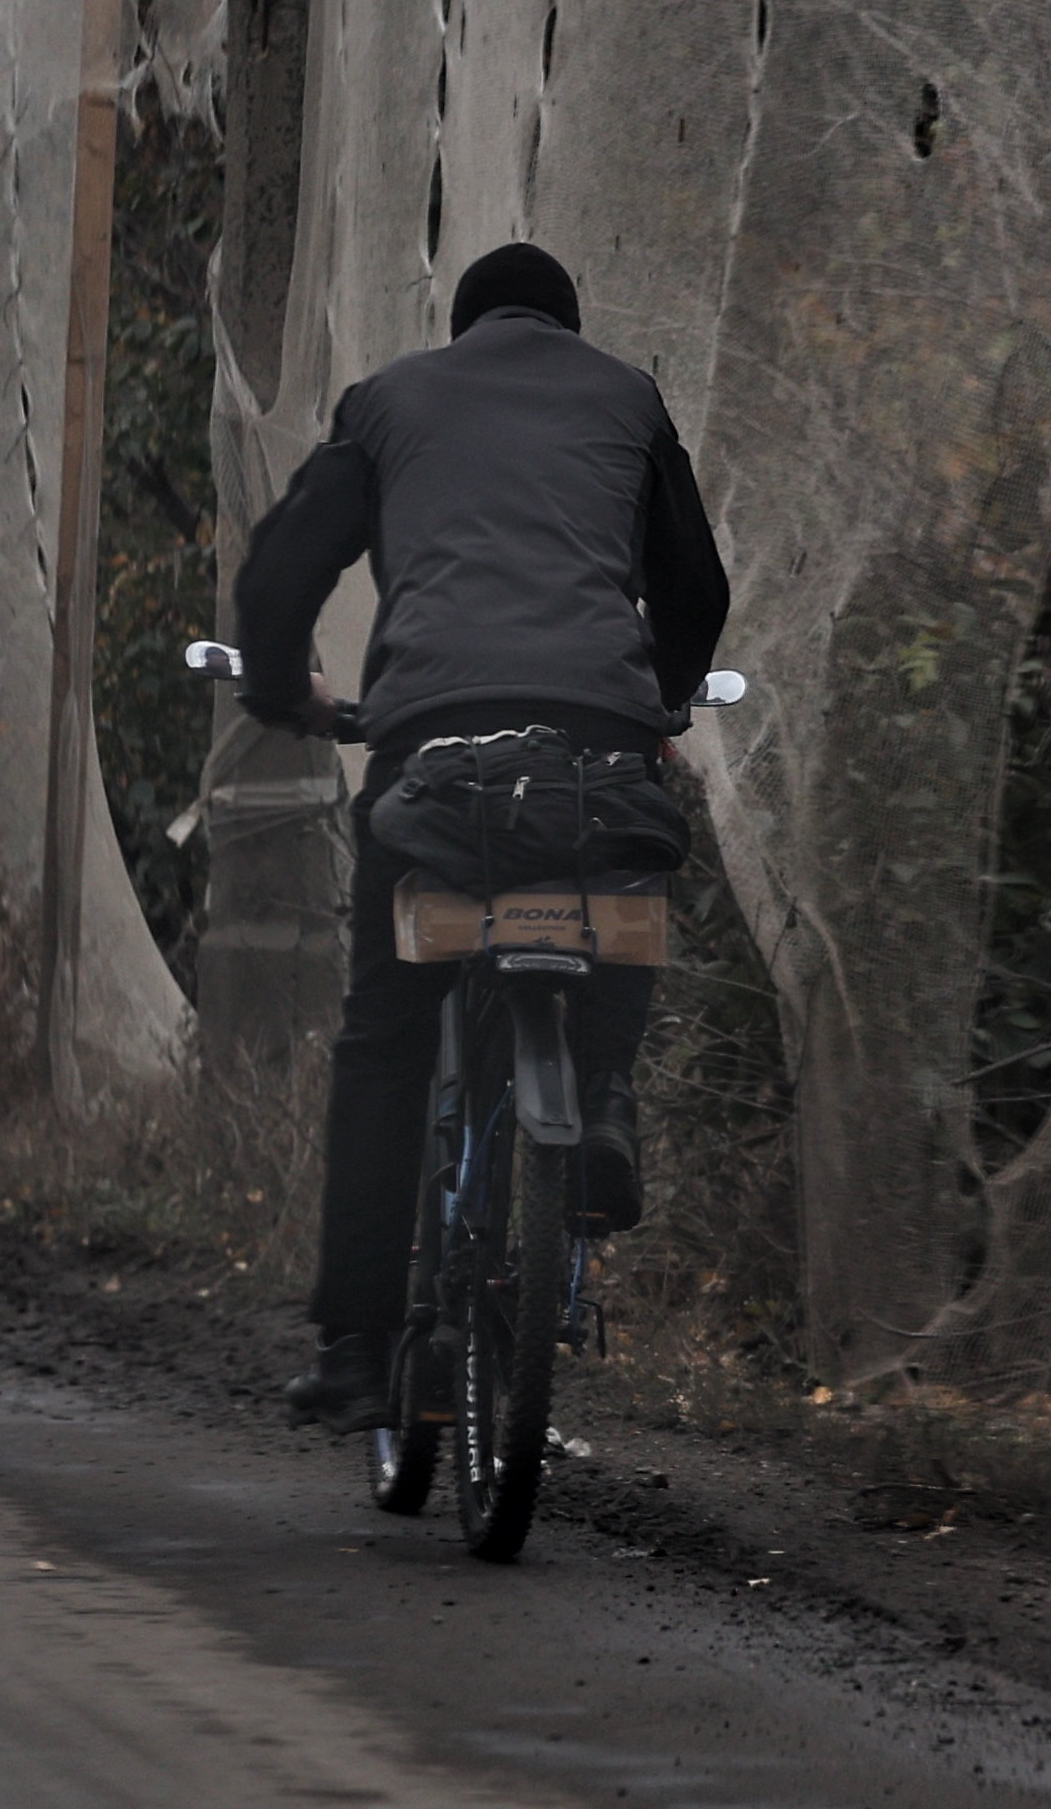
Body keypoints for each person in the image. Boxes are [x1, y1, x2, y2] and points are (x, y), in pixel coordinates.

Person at [227, 243, 731, 1433]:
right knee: (618, 900)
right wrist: (654, 700)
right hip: (594, 748)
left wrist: (279, 690)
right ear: (565, 326)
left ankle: (355, 1347)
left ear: (463, 328)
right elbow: (693, 588)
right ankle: (601, 1097)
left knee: (386, 1038)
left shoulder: (391, 401)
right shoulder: (627, 400)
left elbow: (280, 569)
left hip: (432, 753)